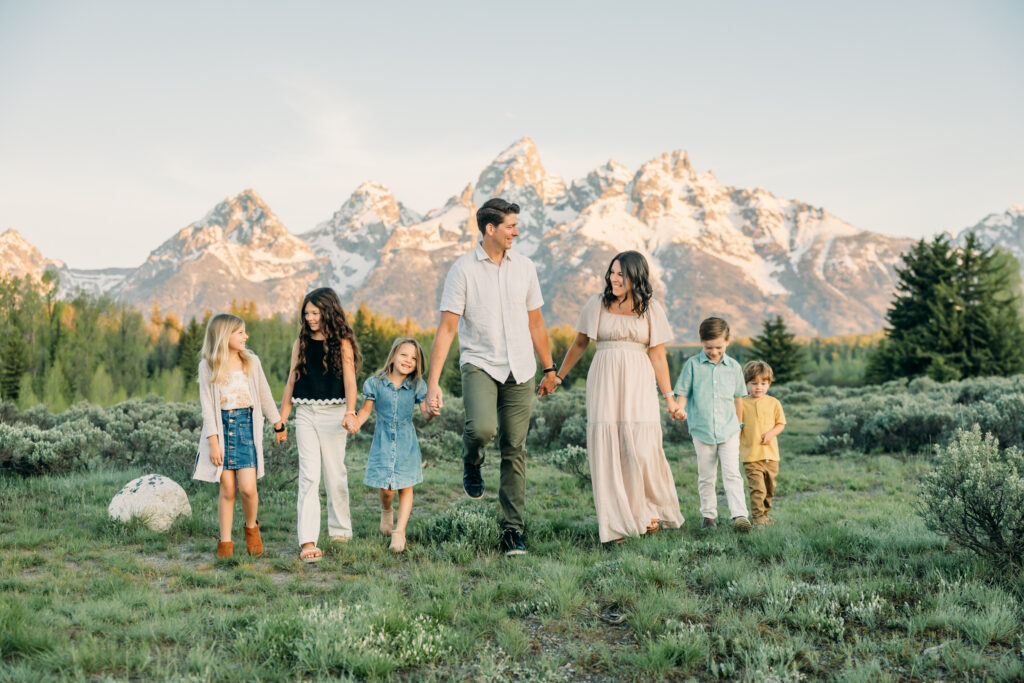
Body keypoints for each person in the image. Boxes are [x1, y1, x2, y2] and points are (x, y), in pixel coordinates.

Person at [425, 197, 558, 556]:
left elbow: (536, 323)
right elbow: (447, 329)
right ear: (490, 229)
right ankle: (472, 461)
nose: (517, 232)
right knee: (482, 429)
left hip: (521, 368)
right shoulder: (463, 270)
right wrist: (432, 383)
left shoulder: (525, 268)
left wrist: (549, 368)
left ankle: (513, 529)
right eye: (511, 226)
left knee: (514, 446)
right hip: (480, 363)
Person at [554, 251, 685, 543]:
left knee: (642, 448)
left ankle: (646, 509)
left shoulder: (651, 309)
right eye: (611, 272)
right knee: (609, 450)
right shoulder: (597, 304)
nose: (613, 278)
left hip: (639, 381)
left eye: (620, 274)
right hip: (604, 380)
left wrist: (670, 399)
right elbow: (580, 343)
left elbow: (658, 355)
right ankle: (615, 525)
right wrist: (559, 376)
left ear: (636, 277)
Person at [192, 313, 287, 559]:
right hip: (221, 431)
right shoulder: (208, 365)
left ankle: (252, 528)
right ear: (224, 336)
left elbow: (264, 394)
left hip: (246, 429)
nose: (246, 336)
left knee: (248, 488)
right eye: (241, 332)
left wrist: (278, 423)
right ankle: (225, 543)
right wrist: (213, 442)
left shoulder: (251, 362)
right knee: (227, 490)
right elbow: (207, 407)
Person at [279, 288, 360, 563]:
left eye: (315, 313)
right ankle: (308, 540)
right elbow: (291, 381)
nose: (310, 318)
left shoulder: (342, 343)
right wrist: (282, 419)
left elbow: (350, 381)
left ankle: (340, 532)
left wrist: (350, 412)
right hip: (305, 413)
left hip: (334, 414)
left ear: (328, 311)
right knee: (309, 476)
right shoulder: (301, 342)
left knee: (335, 474)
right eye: (306, 313)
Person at [351, 337, 433, 553]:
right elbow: (366, 411)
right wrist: (356, 422)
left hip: (406, 441)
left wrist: (431, 412)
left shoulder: (417, 385)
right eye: (404, 354)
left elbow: (425, 414)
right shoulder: (375, 383)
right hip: (383, 440)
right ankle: (386, 510)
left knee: (406, 486)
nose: (408, 360)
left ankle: (399, 532)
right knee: (387, 489)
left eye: (414, 358)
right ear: (394, 355)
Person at [671, 317, 752, 532]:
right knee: (706, 476)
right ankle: (709, 516)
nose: (714, 352)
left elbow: (738, 399)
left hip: (729, 430)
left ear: (727, 342)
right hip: (702, 430)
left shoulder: (733, 367)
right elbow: (683, 393)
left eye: (718, 347)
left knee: (732, 473)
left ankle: (740, 515)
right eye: (709, 347)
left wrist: (739, 425)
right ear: (701, 342)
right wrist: (680, 409)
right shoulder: (692, 365)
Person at [740, 360, 786, 527]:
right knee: (758, 489)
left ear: (769, 384)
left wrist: (771, 434)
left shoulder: (774, 403)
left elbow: (780, 424)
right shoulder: (741, 404)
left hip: (771, 456)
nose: (758, 387)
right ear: (746, 383)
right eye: (754, 383)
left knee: (769, 488)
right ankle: (758, 518)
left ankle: (765, 514)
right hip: (751, 456)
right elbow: (737, 428)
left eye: (763, 383)